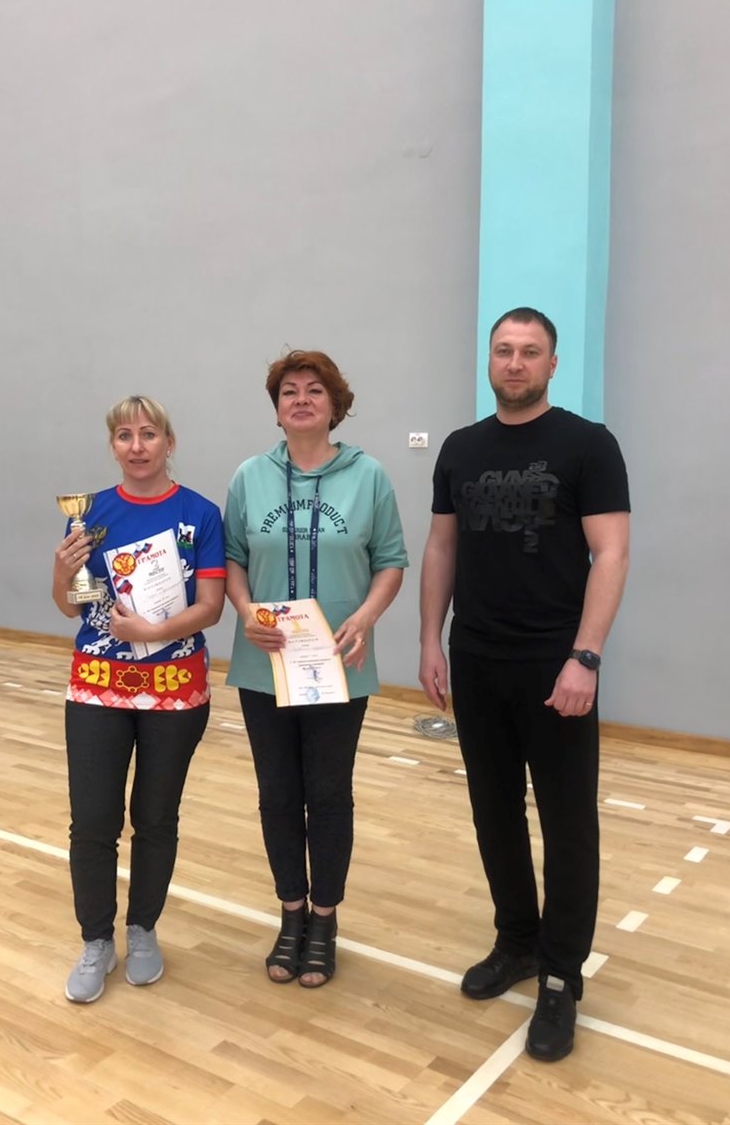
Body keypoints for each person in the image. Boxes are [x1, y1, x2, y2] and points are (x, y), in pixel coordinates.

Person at [419, 309, 630, 1062]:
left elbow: (611, 554)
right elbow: (441, 548)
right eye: (504, 350)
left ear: (551, 364)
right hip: (477, 660)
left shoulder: (588, 444)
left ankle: (561, 975)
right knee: (494, 811)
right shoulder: (461, 448)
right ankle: (516, 940)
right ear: (489, 359)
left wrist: (586, 657)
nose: (515, 362)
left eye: (529, 352)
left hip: (555, 664)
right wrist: (430, 639)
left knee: (568, 822)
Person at [224, 350, 408, 987]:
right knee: (277, 795)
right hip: (264, 665)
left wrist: (366, 616)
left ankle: (324, 919)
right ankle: (291, 913)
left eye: (314, 390)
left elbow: (391, 562)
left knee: (328, 795)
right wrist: (245, 610)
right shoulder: (249, 476)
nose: (301, 400)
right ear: (277, 409)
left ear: (336, 405)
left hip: (338, 665)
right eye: (289, 392)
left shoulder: (370, 476)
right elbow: (232, 559)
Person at [52, 395, 226, 1003]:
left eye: (149, 434)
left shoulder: (200, 514)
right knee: (93, 821)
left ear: (168, 443)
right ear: (113, 446)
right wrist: (61, 570)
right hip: (97, 687)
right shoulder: (88, 515)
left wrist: (152, 632)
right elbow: (70, 606)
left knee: (155, 818)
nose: (137, 445)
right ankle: (96, 940)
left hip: (176, 691)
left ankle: (143, 929)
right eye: (125, 436)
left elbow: (211, 606)